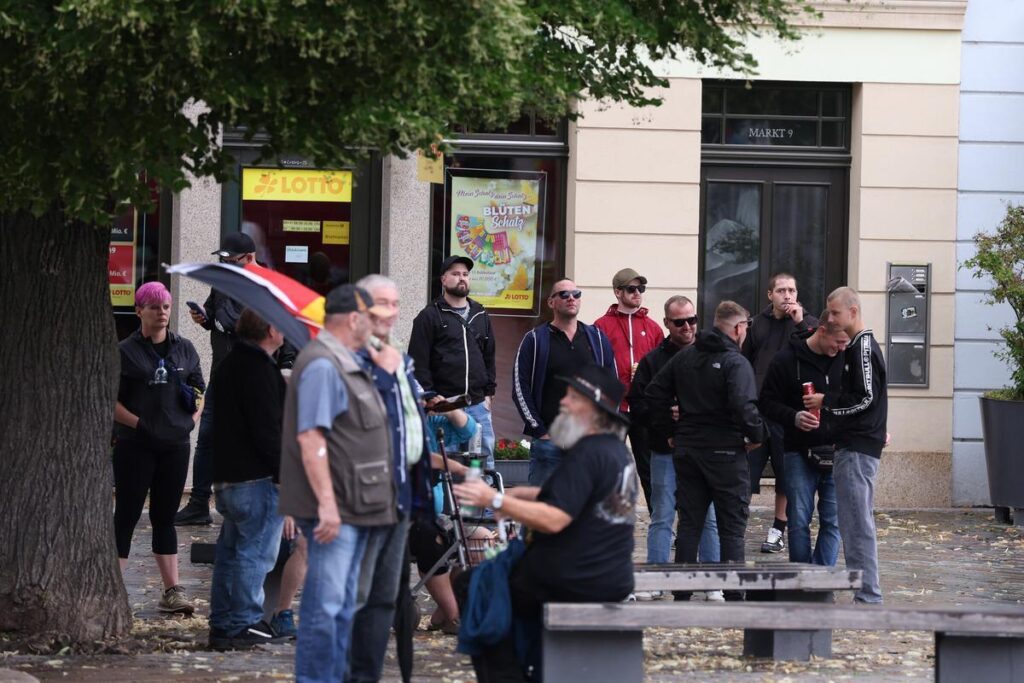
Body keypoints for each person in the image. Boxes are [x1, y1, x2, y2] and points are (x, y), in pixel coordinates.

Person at [454, 364, 637, 681]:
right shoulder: (614, 452)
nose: (562, 402)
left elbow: (555, 519)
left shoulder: (588, 454)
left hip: (576, 578)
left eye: (573, 397)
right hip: (609, 575)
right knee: (495, 584)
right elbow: (583, 498)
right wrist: (524, 495)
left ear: (593, 411)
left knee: (477, 587)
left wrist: (495, 500)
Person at [277, 284, 397, 683]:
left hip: (354, 504)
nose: (377, 323)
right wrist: (326, 504)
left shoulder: (344, 359)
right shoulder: (323, 364)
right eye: (371, 317)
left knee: (342, 605)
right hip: (336, 509)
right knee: (325, 607)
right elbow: (311, 438)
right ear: (354, 319)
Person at [348, 274, 436, 683]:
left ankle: (367, 675)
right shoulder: (351, 356)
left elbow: (408, 423)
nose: (391, 312)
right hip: (364, 494)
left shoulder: (396, 355)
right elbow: (354, 418)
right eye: (382, 303)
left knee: (385, 597)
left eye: (396, 304)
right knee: (360, 594)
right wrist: (384, 374)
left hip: (399, 492)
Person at [646, 301, 765, 601]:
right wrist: (757, 435)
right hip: (726, 453)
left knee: (690, 523)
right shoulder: (735, 362)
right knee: (731, 527)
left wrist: (669, 430)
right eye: (746, 327)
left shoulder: (686, 356)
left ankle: (682, 592)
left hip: (688, 451)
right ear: (738, 328)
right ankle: (734, 593)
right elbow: (744, 405)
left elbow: (654, 392)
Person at [112, 282, 205, 615]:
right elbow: (111, 399)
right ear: (139, 311)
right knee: (126, 515)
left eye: (165, 306)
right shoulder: (125, 351)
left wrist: (190, 421)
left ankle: (172, 591)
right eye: (154, 307)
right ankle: (114, 592)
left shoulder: (185, 349)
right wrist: (140, 425)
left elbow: (198, 389)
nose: (162, 312)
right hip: (136, 444)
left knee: (165, 517)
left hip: (175, 445)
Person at [207, 309, 288, 649]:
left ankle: (222, 624)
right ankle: (244, 622)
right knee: (255, 553)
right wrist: (284, 475)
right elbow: (268, 430)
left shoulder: (230, 362)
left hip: (228, 475)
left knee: (230, 552)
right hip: (257, 477)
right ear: (270, 329)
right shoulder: (259, 369)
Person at [628, 296, 721, 591]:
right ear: (667, 323)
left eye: (692, 320)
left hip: (704, 449)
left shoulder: (711, 355)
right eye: (679, 322)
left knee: (708, 517)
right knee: (662, 515)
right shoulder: (653, 361)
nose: (687, 327)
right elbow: (638, 406)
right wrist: (667, 415)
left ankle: (712, 582)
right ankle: (656, 581)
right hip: (665, 448)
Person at [175, 232, 255, 526]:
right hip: (221, 372)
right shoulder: (223, 282)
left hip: (247, 377)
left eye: (231, 260)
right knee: (206, 438)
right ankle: (199, 502)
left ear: (248, 258)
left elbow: (236, 323)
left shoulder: (259, 286)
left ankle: (240, 506)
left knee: (242, 441)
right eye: (223, 260)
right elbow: (215, 319)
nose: (226, 265)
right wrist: (203, 317)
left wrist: (218, 314)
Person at [759, 314, 849, 566]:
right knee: (798, 519)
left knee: (833, 520)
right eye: (838, 342)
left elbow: (859, 398)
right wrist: (793, 417)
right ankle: (801, 577)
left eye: (845, 343)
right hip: (797, 450)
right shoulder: (786, 359)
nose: (841, 348)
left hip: (837, 449)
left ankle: (821, 577)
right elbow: (766, 402)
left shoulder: (847, 357)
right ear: (821, 331)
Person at [742, 273, 818, 554]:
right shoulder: (756, 325)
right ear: (770, 295)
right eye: (781, 290)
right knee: (745, 472)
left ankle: (778, 529)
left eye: (792, 290)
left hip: (790, 414)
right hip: (759, 411)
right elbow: (744, 362)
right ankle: (736, 525)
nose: (787, 295)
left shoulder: (808, 323)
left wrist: (800, 323)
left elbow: (817, 356)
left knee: (786, 476)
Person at [512, 279, 615, 485]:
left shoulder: (597, 338)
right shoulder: (535, 339)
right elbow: (519, 387)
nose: (571, 298)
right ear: (551, 302)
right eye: (564, 294)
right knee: (544, 502)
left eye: (576, 294)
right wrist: (540, 431)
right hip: (549, 442)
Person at [823, 286, 888, 604]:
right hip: (857, 444)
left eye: (835, 313)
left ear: (853, 311)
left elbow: (865, 398)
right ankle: (866, 593)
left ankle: (868, 595)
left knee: (856, 522)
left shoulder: (862, 346)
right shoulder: (858, 346)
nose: (830, 319)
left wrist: (827, 405)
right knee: (854, 521)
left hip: (857, 446)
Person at [409, 255, 497, 468]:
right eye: (456, 274)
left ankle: (483, 493)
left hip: (477, 405)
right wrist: (430, 397)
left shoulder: (480, 313)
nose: (462, 278)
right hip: (445, 406)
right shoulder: (429, 316)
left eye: (465, 274)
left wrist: (488, 394)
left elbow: (489, 355)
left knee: (482, 467)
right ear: (443, 279)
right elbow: (418, 362)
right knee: (446, 467)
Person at [594, 267, 664, 512]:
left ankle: (660, 523)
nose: (637, 293)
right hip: (614, 407)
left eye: (641, 288)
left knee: (650, 468)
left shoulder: (653, 328)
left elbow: (664, 367)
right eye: (631, 289)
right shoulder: (601, 326)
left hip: (644, 408)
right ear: (618, 292)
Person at [408, 408, 476, 634]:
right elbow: (412, 453)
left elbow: (469, 430)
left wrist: (449, 408)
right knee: (430, 537)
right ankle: (454, 616)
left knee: (481, 537)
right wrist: (453, 465)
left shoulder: (431, 419)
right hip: (403, 516)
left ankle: (443, 614)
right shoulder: (394, 416)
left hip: (436, 514)